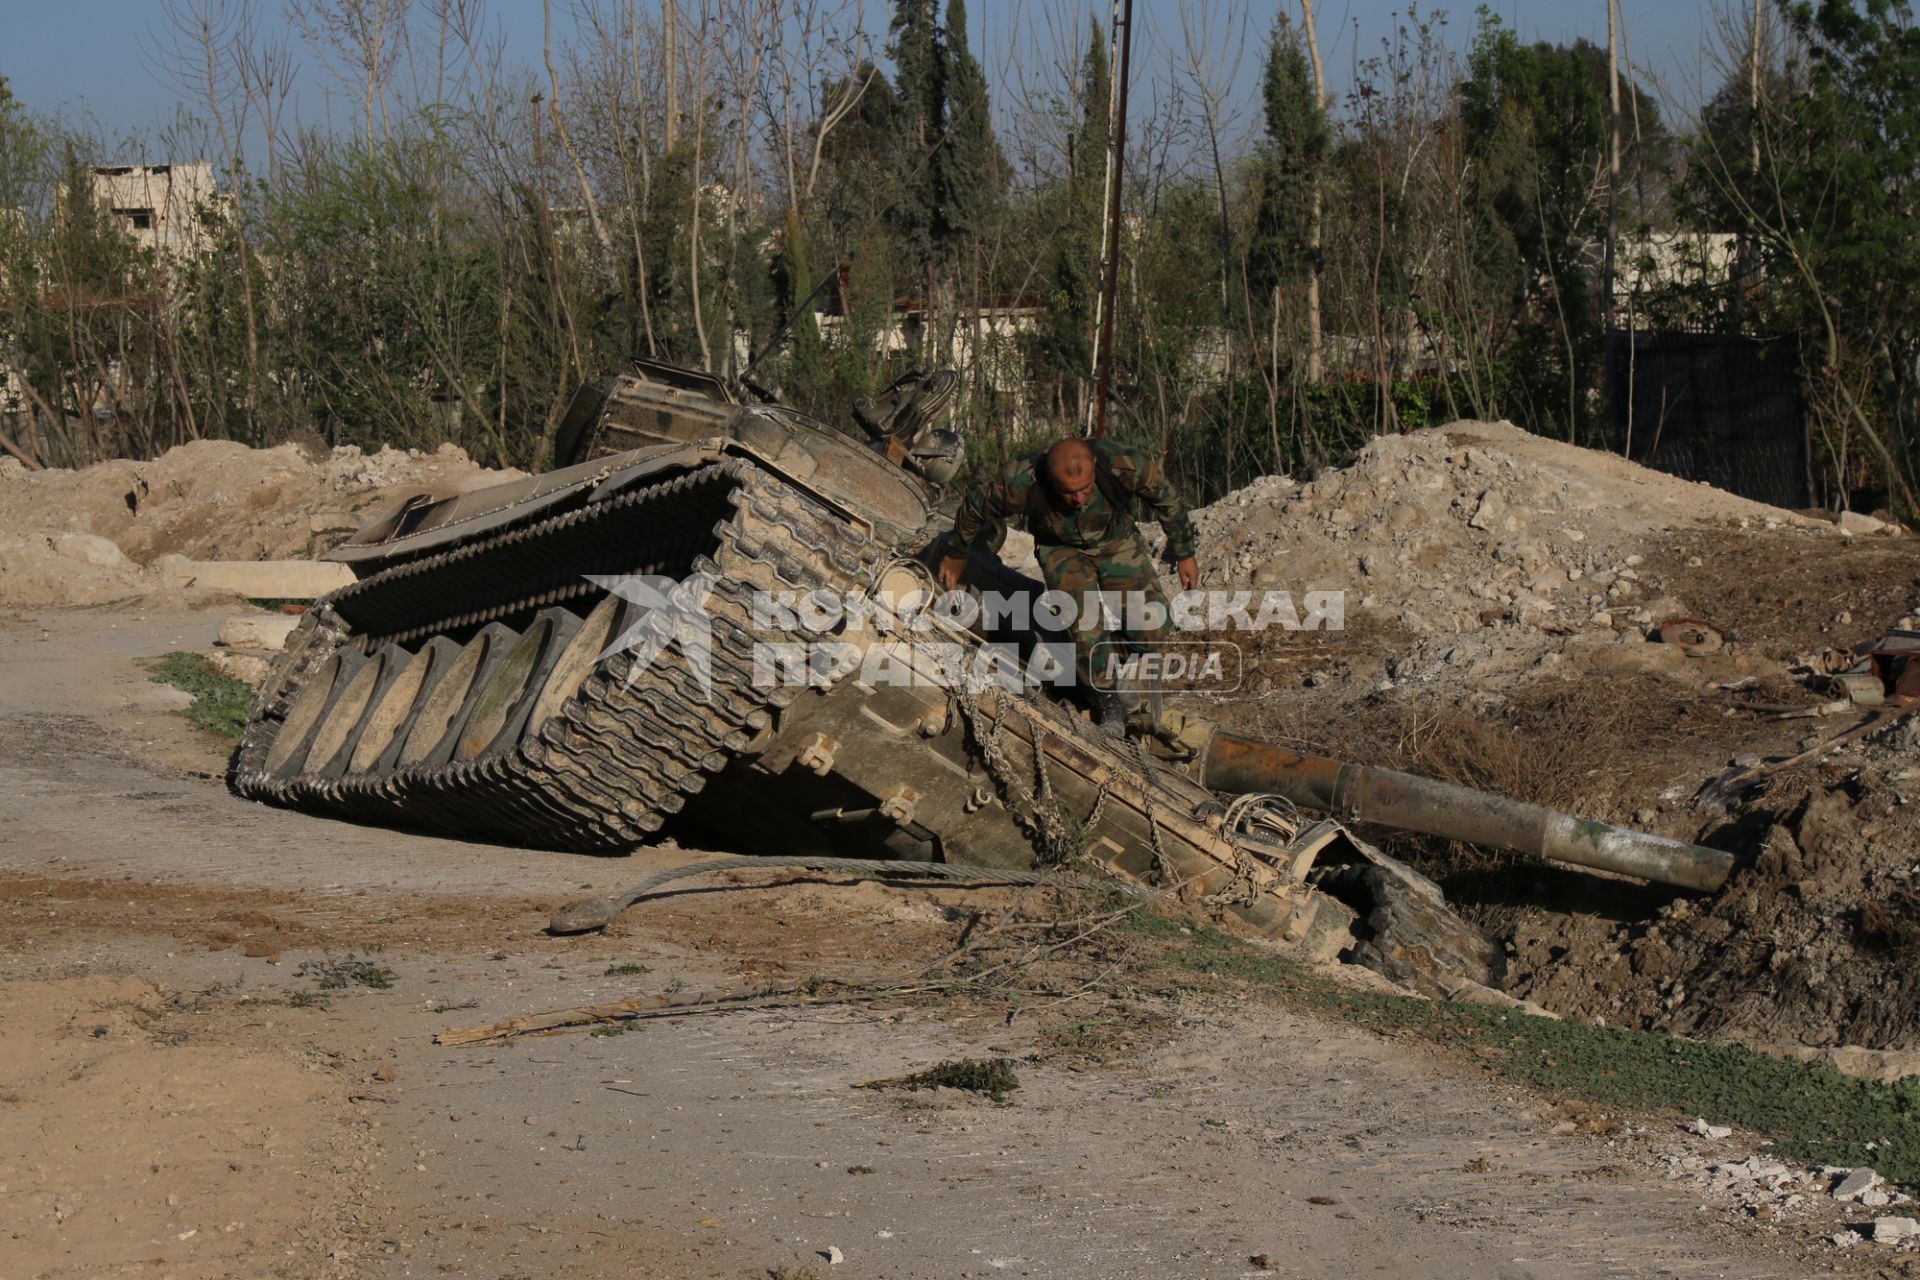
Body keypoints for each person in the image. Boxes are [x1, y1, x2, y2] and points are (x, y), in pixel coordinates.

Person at [937, 437, 1200, 733]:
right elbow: (975, 507)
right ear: (1050, 479)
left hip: (1116, 540)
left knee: (1154, 626)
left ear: (1095, 467)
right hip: (1061, 550)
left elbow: (1166, 498)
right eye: (1068, 493)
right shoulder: (1022, 480)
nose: (1078, 499)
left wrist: (1185, 553)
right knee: (1086, 626)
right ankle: (1106, 699)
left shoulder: (1122, 463)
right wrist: (957, 554)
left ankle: (1083, 658)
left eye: (1085, 489)